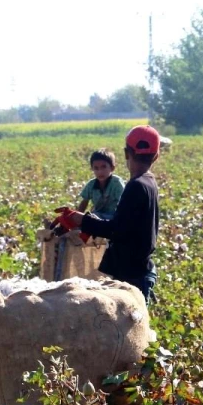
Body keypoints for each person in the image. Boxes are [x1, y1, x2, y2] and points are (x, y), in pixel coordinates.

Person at [56, 125, 161, 302]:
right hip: (138, 269)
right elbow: (126, 227)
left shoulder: (135, 186)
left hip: (132, 275)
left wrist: (81, 220)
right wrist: (85, 221)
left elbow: (116, 230)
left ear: (126, 153)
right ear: (156, 156)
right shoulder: (149, 182)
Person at [76, 149, 125, 220]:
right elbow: (84, 202)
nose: (100, 171)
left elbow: (123, 204)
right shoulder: (91, 184)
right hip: (97, 216)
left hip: (113, 217)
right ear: (92, 169)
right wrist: (78, 217)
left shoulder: (116, 183)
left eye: (104, 167)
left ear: (112, 168)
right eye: (96, 168)